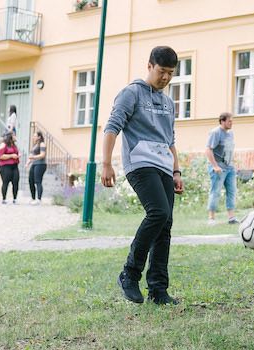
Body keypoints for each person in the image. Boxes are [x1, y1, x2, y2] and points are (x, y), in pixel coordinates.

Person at [102, 46, 184, 305]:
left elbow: (170, 140)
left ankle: (158, 290)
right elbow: (112, 127)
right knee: (158, 213)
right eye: (162, 72)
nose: (166, 78)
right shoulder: (131, 93)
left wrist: (177, 170)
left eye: (171, 74)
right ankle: (129, 273)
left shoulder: (169, 103)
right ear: (149, 66)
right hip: (139, 163)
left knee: (165, 224)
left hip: (163, 165)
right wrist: (106, 163)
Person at [205, 112, 238, 225]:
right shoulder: (215, 133)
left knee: (232, 191)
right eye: (229, 121)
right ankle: (211, 218)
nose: (231, 123)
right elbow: (208, 150)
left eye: (232, 121)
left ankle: (231, 218)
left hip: (230, 167)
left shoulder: (230, 133)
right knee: (215, 192)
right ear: (222, 121)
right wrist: (215, 166)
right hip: (218, 168)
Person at [0, 132, 20, 204]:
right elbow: (1, 156)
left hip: (14, 166)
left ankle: (15, 199)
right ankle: (4, 199)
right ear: (10, 136)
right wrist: (11, 156)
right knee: (5, 182)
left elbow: (16, 153)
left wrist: (18, 155)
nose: (15, 136)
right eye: (14, 135)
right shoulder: (3, 144)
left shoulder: (14, 145)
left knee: (15, 182)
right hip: (5, 166)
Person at [26, 131, 47, 204]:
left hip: (41, 164)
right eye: (33, 136)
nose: (33, 137)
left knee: (38, 181)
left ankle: (39, 199)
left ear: (39, 137)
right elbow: (31, 156)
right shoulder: (35, 145)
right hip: (34, 164)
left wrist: (33, 157)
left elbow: (42, 155)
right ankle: (33, 198)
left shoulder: (42, 144)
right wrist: (27, 163)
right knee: (30, 181)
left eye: (35, 136)